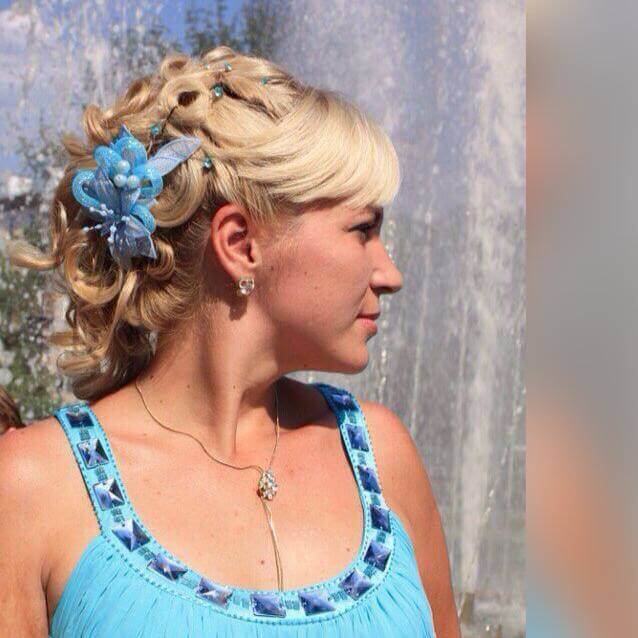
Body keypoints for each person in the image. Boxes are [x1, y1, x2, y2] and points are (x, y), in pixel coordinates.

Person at [0, 46, 460, 637]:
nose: (389, 274)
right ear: (241, 244)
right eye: (362, 230)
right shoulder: (35, 486)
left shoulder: (382, 455)